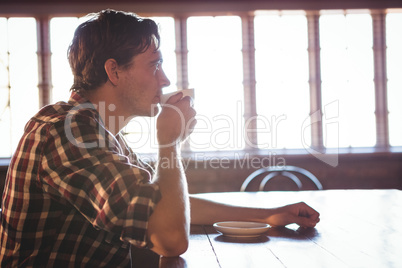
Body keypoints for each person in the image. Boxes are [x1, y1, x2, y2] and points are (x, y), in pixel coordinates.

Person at [0, 9, 320, 267]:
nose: (165, 79)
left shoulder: (102, 132)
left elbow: (161, 206)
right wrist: (168, 143)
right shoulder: (66, 133)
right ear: (114, 71)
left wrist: (267, 215)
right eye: (154, 65)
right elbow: (170, 238)